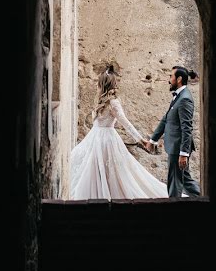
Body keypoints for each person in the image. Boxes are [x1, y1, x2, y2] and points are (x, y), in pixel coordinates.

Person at [69, 66, 168, 200]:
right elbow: (126, 123)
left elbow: (122, 122)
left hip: (99, 137)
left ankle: (105, 196)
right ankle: (102, 196)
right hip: (102, 138)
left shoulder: (107, 102)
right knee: (99, 169)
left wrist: (139, 139)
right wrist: (141, 140)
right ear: (112, 84)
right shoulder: (110, 102)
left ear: (101, 84)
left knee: (105, 170)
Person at [141, 66, 201, 198]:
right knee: (185, 180)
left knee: (175, 182)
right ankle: (204, 197)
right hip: (175, 147)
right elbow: (166, 119)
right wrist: (153, 140)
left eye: (171, 76)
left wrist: (184, 153)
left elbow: (187, 128)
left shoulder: (185, 99)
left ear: (179, 79)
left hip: (178, 148)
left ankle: (172, 211)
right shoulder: (179, 96)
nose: (169, 80)